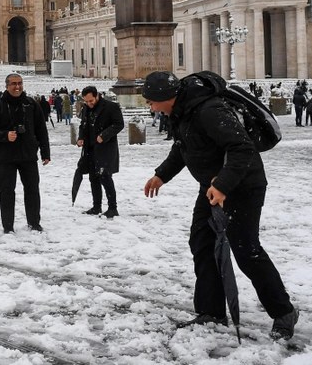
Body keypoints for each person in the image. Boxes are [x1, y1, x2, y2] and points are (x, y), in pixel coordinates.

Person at [140, 71, 298, 341]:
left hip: (242, 185)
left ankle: (283, 312)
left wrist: (223, 185)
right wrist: (161, 175)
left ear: (166, 97)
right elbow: (182, 148)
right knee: (201, 243)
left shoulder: (209, 110)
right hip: (211, 186)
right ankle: (211, 311)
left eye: (151, 102)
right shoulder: (181, 112)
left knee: (245, 250)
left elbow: (242, 148)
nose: (150, 108)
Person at [0, 73, 51, 234]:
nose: (17, 86)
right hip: (7, 156)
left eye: (19, 83)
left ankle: (34, 222)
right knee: (6, 192)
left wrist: (45, 153)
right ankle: (8, 226)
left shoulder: (31, 104)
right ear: (6, 86)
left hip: (28, 155)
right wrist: (4, 136)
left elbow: (41, 130)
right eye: (13, 83)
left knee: (32, 190)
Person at [76, 86, 124, 218]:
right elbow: (83, 125)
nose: (89, 104)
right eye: (86, 101)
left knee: (105, 176)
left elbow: (119, 124)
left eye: (91, 101)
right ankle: (96, 206)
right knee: (93, 178)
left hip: (106, 148)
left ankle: (112, 208)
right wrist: (80, 138)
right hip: (90, 148)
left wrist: (104, 135)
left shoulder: (111, 106)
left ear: (97, 96)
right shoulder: (86, 108)